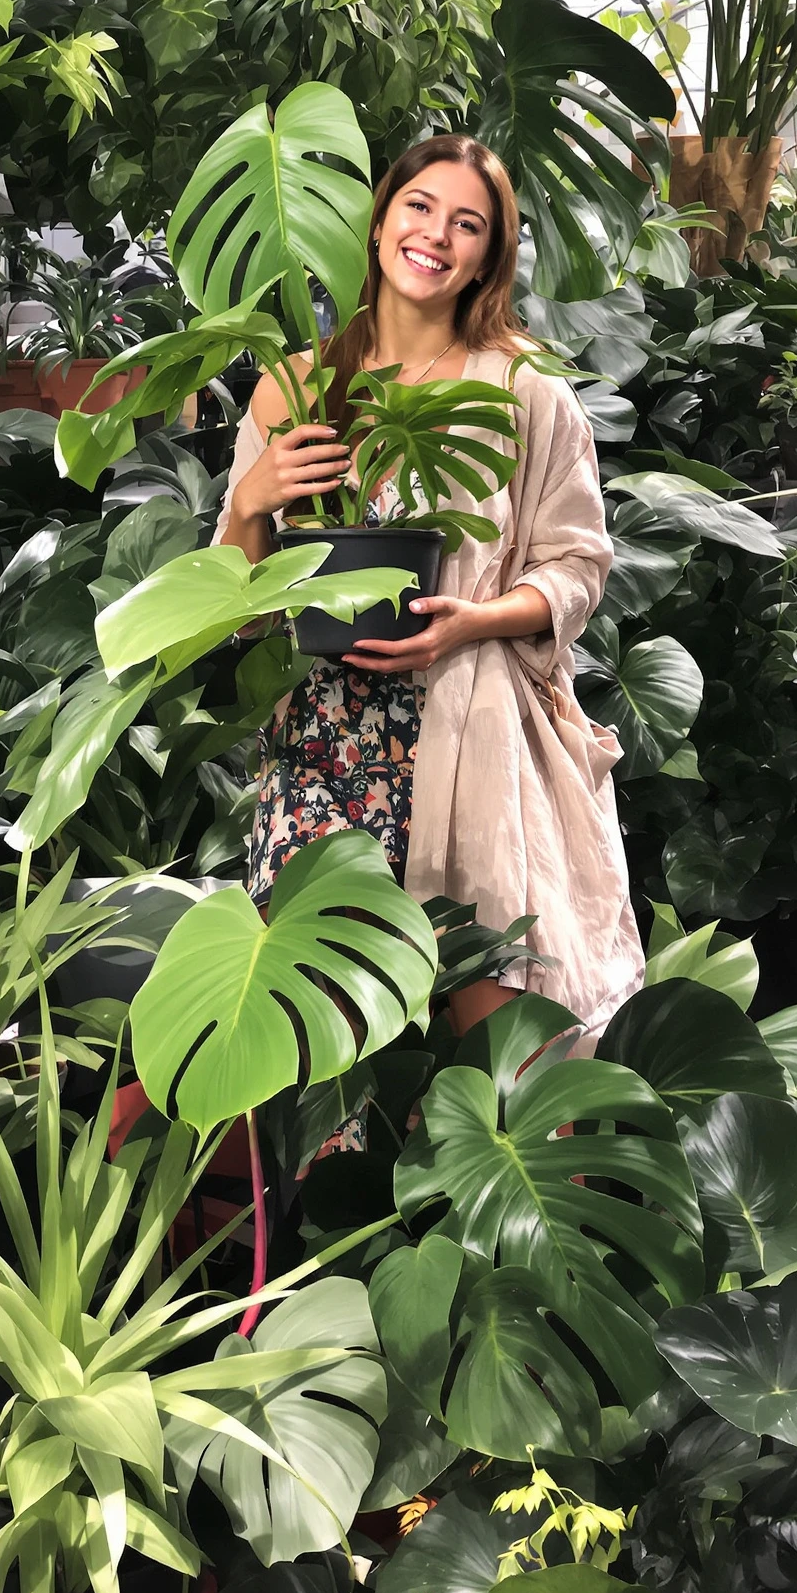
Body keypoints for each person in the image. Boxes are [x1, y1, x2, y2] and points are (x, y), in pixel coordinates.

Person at [216, 132, 644, 1038]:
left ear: (489, 255)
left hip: (467, 734)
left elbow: (577, 564)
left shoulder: (524, 390)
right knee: (321, 1034)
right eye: (419, 208)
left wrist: (473, 621)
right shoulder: (294, 386)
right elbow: (238, 602)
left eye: (468, 224)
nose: (436, 236)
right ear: (378, 223)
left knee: (489, 1041)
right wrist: (252, 503)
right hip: (322, 742)